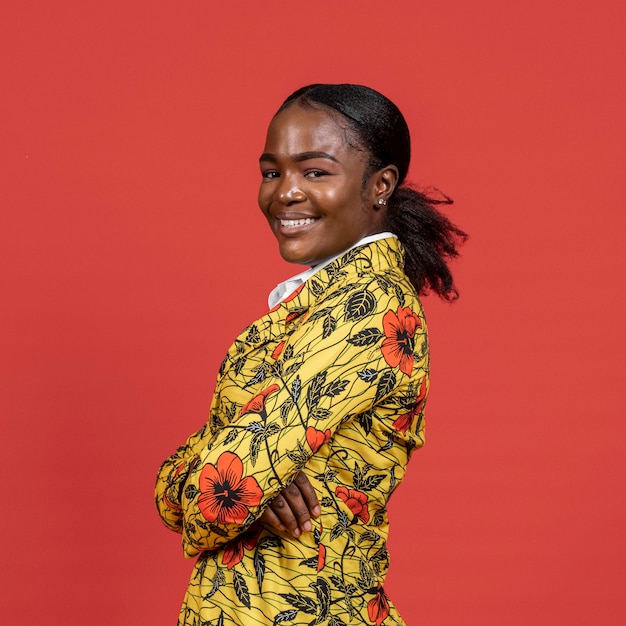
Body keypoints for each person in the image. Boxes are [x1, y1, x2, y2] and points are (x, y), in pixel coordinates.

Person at [155, 83, 466, 626]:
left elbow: (214, 491)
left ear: (380, 185)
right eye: (272, 171)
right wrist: (243, 479)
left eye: (315, 172)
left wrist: (236, 478)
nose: (284, 193)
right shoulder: (317, 306)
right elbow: (221, 483)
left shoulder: (369, 308)